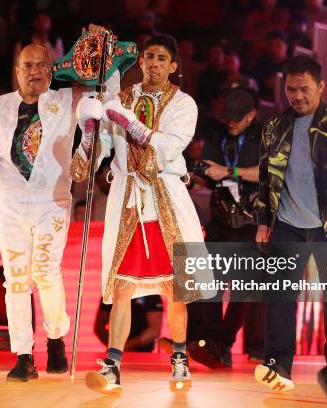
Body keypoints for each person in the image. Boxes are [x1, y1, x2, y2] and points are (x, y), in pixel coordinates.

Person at [0, 24, 119, 382]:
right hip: (12, 202)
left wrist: (103, 47)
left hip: (53, 201)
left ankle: (56, 338)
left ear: (51, 70)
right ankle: (23, 355)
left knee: (46, 272)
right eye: (27, 66)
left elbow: (106, 97)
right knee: (16, 279)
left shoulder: (67, 100)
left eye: (40, 66)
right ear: (16, 71)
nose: (34, 72)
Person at [71, 33, 213, 395]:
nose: (153, 63)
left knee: (176, 287)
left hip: (166, 195)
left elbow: (169, 146)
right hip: (128, 197)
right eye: (149, 56)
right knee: (122, 286)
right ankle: (113, 366)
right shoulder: (120, 100)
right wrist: (88, 139)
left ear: (173, 66)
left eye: (162, 58)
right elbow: (101, 147)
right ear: (141, 61)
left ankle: (179, 357)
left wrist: (131, 123)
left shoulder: (184, 104)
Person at [254, 55, 327, 392]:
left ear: (321, 86)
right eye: (291, 89)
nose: (297, 96)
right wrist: (264, 220)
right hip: (288, 223)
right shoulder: (275, 127)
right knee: (278, 295)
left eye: (304, 89)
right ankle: (278, 365)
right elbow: (265, 179)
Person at [187, 89, 265, 368]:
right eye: (227, 118)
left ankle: (221, 344)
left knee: (244, 289)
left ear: (251, 116)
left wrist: (229, 172)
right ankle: (214, 345)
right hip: (220, 221)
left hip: (250, 222)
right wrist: (195, 178)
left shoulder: (263, 139)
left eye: (237, 118)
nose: (230, 123)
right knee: (208, 283)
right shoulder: (217, 136)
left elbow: (267, 173)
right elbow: (209, 174)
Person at [94, 295, 163, 352]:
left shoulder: (151, 293)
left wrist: (125, 347)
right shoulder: (112, 291)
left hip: (142, 353)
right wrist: (113, 347)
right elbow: (99, 325)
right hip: (116, 352)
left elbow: (155, 330)